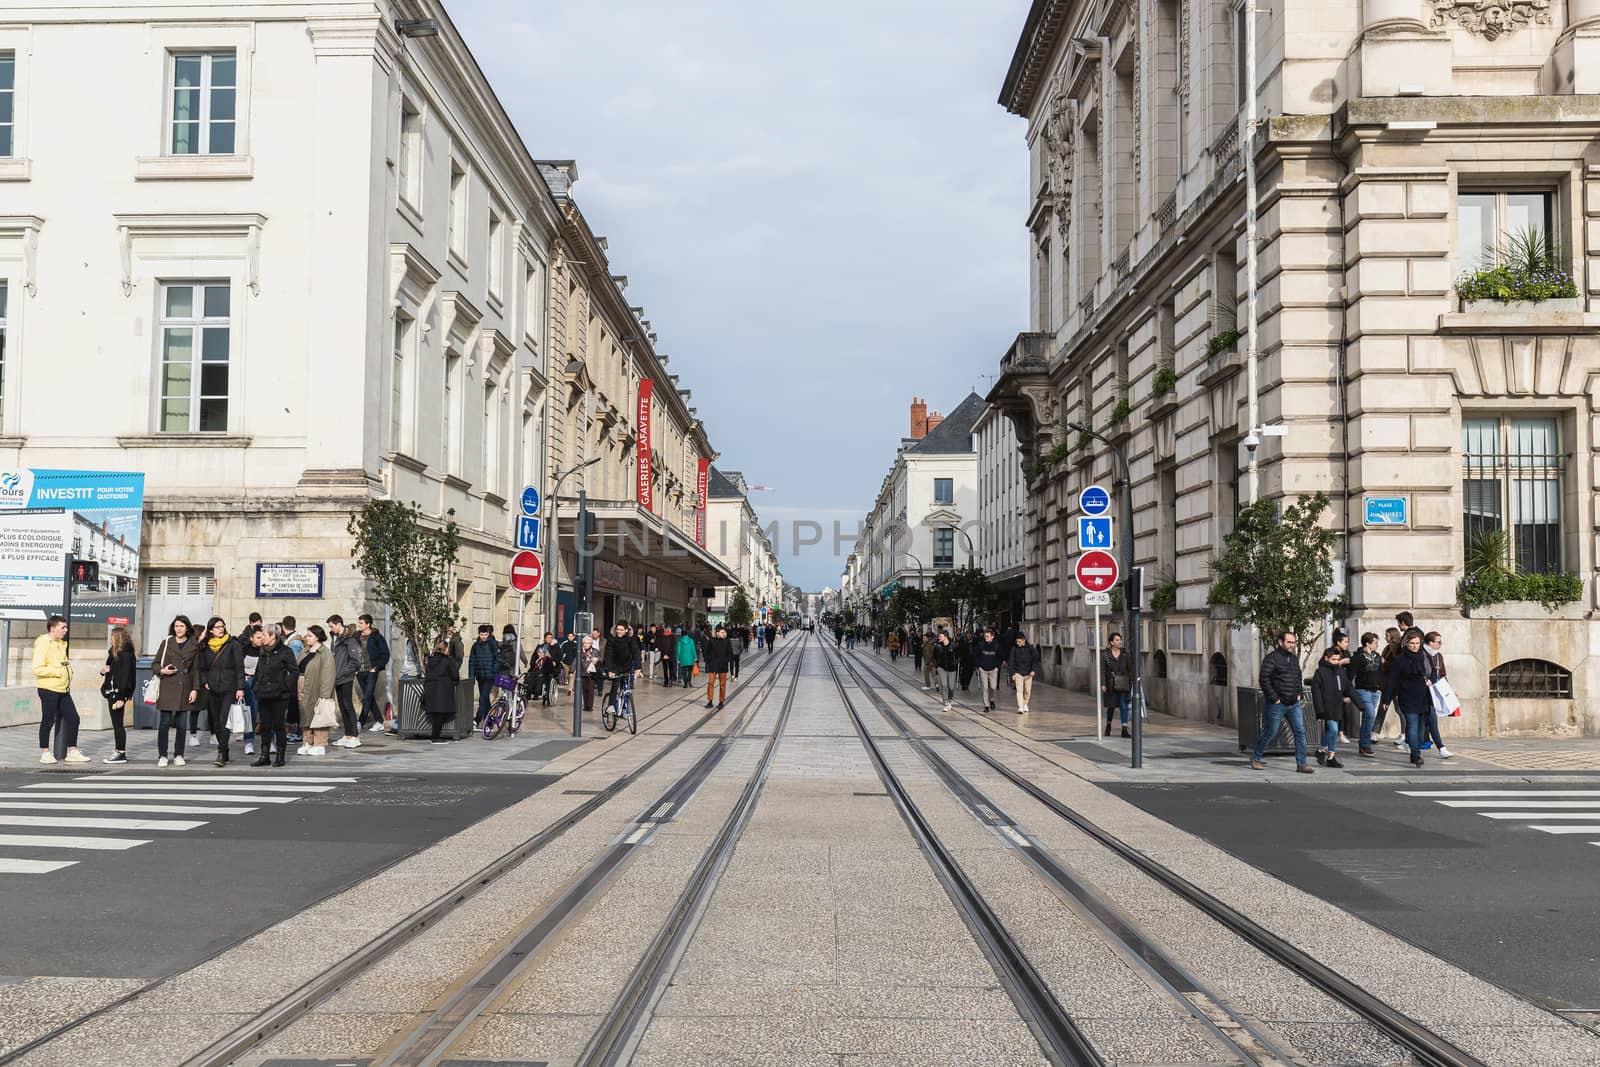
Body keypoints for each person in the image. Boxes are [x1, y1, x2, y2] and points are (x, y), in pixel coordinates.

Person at [1249, 631, 1312, 774]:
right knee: (1271, 731)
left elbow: (1298, 677)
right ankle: (1256, 757)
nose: (1292, 645)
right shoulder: (1272, 659)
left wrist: (1299, 694)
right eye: (1289, 642)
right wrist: (1274, 698)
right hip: (1277, 704)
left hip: (1293, 703)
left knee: (1300, 732)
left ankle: (1302, 764)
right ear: (1280, 642)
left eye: (1293, 642)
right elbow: (1264, 679)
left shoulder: (1294, 659)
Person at [34, 615, 89, 764]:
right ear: (53, 628)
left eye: (66, 627)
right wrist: (58, 673)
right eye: (62, 627)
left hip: (63, 689)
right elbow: (37, 668)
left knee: (73, 718)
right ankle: (45, 752)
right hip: (48, 688)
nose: (66, 630)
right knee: (48, 720)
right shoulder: (43, 643)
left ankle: (72, 751)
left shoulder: (60, 643)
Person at [152, 615, 202, 768]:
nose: (179, 629)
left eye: (181, 626)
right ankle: (162, 755)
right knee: (164, 723)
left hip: (185, 686)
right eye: (176, 626)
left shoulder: (194, 644)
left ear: (187, 628)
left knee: (181, 724)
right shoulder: (167, 642)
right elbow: (155, 664)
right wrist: (162, 670)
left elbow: (196, 669)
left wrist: (195, 689)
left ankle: (179, 754)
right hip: (168, 685)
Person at [1380, 628, 1434, 768]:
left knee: (1421, 729)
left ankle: (1414, 750)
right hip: (1407, 696)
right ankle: (1416, 755)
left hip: (1423, 695)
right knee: (1412, 725)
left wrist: (1430, 680)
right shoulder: (1400, 660)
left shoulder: (1425, 656)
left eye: (1417, 643)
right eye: (1412, 643)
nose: (1415, 646)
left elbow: (1433, 672)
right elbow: (1392, 680)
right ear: (1406, 644)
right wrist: (1386, 699)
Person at [197, 617, 246, 767]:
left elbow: (239, 667)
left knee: (224, 720)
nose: (221, 629)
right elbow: (202, 667)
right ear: (210, 630)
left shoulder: (233, 644)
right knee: (217, 722)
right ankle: (225, 751)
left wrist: (240, 688)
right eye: (217, 627)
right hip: (212, 688)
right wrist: (205, 681)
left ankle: (221, 752)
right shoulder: (205, 646)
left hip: (229, 688)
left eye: (222, 626)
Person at [251, 624, 298, 767]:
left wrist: (284, 687)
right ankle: (264, 755)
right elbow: (259, 670)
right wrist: (256, 687)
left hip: (279, 695)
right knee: (264, 726)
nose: (261, 638)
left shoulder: (285, 651)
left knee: (278, 725)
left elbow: (294, 671)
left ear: (272, 636)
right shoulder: (263, 651)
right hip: (263, 694)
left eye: (264, 635)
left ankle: (280, 756)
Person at [99, 626, 138, 763]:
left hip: (117, 693)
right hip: (111, 691)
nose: (110, 639)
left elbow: (126, 676)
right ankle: (118, 750)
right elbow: (111, 670)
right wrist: (104, 671)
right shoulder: (114, 653)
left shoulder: (126, 654)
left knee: (118, 724)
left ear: (118, 638)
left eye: (112, 636)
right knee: (116, 723)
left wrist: (122, 697)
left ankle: (120, 752)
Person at [298, 625, 338, 756]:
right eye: (307, 635)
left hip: (317, 687)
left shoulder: (325, 653)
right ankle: (307, 741)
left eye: (310, 635)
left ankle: (320, 743)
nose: (307, 638)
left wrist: (325, 694)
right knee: (305, 714)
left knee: (319, 715)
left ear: (317, 637)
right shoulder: (304, 651)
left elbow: (328, 673)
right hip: (303, 687)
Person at [1310, 644, 1351, 768]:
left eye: (1338, 660)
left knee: (1332, 731)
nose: (1336, 662)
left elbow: (1344, 686)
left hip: (1337, 705)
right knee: (1333, 730)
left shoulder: (1339, 671)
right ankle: (1321, 749)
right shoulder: (1321, 671)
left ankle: (1331, 756)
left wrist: (1345, 697)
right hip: (1326, 706)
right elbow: (1316, 690)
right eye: (1333, 659)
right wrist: (1320, 708)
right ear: (1326, 658)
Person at [325, 615, 363, 748]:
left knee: (348, 705)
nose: (330, 629)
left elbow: (355, 661)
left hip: (345, 677)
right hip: (337, 678)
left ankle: (355, 736)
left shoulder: (349, 640)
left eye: (331, 626)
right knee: (342, 706)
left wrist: (342, 672)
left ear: (339, 624)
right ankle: (348, 735)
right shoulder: (335, 640)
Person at [355, 614, 392, 734]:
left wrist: (376, 668)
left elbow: (385, 654)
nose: (359, 625)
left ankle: (360, 722)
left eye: (361, 623)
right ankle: (379, 721)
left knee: (367, 696)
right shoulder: (357, 636)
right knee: (369, 697)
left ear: (368, 624)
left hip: (371, 671)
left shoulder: (376, 637)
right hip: (360, 671)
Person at [1350, 632, 1383, 758]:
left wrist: (1381, 687)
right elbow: (1350, 675)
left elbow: (1380, 673)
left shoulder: (1377, 656)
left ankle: (1363, 743)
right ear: (1367, 643)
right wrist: (1348, 692)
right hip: (1363, 690)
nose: (1377, 645)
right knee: (1370, 714)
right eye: (1375, 643)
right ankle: (1365, 743)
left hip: (1375, 691)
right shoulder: (1358, 657)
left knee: (1368, 717)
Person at [1422, 631, 1452, 758]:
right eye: (1438, 642)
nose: (1440, 644)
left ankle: (1441, 748)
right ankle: (1409, 742)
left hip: (1432, 694)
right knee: (1414, 723)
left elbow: (1442, 675)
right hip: (1419, 694)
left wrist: (1450, 690)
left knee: (1432, 721)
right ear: (1430, 643)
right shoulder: (1421, 655)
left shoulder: (1438, 656)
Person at [423, 638, 457, 744]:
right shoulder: (447, 660)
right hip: (442, 690)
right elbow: (455, 675)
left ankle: (435, 736)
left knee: (435, 714)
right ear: (446, 649)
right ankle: (435, 737)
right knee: (440, 714)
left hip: (430, 689)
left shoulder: (430, 660)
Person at [601, 623, 641, 714]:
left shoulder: (631, 639)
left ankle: (623, 707)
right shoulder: (612, 639)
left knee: (625, 686)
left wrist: (638, 668)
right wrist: (610, 670)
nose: (619, 631)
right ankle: (611, 705)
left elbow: (636, 653)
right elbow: (608, 655)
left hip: (626, 666)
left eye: (621, 630)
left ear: (626, 630)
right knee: (615, 684)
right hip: (614, 666)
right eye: (617, 629)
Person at [468, 624, 500, 729]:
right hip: (480, 676)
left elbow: (497, 658)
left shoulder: (492, 644)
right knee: (485, 700)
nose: (483, 636)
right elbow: (471, 661)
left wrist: (493, 670)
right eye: (482, 634)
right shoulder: (475, 646)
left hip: (489, 676)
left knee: (482, 699)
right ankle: (489, 722)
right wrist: (471, 676)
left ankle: (476, 720)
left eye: (485, 634)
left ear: (488, 634)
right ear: (479, 634)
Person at [1100, 633, 1132, 738]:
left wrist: (1132, 682)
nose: (1120, 642)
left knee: (1124, 706)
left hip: (1123, 683)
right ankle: (1108, 725)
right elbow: (1103, 671)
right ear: (1112, 642)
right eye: (1117, 640)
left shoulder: (1125, 654)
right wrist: (1103, 684)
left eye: (1120, 640)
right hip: (1110, 684)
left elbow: (1130, 669)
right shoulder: (1106, 655)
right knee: (1111, 707)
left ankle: (1124, 729)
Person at [1006, 631, 1040, 713]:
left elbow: (1035, 660)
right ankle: (1020, 707)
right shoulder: (1014, 649)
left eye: (1019, 641)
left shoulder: (1031, 648)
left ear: (1024, 640)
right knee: (1019, 690)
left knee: (1027, 690)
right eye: (1017, 641)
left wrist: (1033, 670)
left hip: (1028, 673)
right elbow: (1011, 661)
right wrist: (1012, 673)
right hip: (1018, 672)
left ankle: (1025, 704)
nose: (1018, 643)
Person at [241, 624, 261, 756]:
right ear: (251, 638)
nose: (261, 639)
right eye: (258, 637)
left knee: (266, 713)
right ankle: (248, 741)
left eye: (262, 637)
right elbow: (237, 666)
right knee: (250, 711)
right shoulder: (244, 649)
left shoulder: (266, 650)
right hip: (248, 683)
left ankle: (270, 741)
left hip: (263, 682)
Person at [702, 625, 733, 709]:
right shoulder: (712, 641)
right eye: (722, 632)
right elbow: (706, 652)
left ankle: (721, 701)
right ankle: (710, 700)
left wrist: (727, 660)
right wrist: (709, 661)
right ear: (717, 633)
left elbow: (730, 653)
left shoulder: (727, 641)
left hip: (723, 665)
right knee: (710, 683)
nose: (724, 634)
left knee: (722, 684)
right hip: (713, 665)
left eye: (724, 632)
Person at [974, 627, 1002, 712]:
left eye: (988, 636)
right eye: (985, 636)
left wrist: (997, 666)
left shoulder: (997, 645)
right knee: (985, 687)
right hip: (983, 669)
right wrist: (978, 666)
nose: (986, 637)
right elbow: (976, 655)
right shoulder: (980, 645)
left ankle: (992, 700)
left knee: (993, 687)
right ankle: (986, 705)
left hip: (993, 669)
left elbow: (1000, 656)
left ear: (992, 637)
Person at [933, 631, 958, 711]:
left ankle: (950, 699)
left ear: (945, 636)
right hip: (941, 667)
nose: (938, 638)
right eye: (938, 636)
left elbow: (959, 654)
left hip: (952, 668)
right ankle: (946, 702)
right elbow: (934, 657)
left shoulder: (953, 645)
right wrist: (936, 665)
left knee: (951, 687)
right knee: (943, 685)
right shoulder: (937, 646)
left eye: (940, 636)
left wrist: (956, 661)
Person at [579, 634, 600, 711]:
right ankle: (585, 705)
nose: (585, 644)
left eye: (587, 643)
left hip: (592, 673)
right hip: (583, 672)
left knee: (590, 689)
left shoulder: (595, 651)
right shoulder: (580, 652)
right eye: (584, 643)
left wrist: (596, 660)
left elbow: (599, 658)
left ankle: (590, 706)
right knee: (584, 690)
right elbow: (576, 660)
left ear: (591, 644)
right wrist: (572, 670)